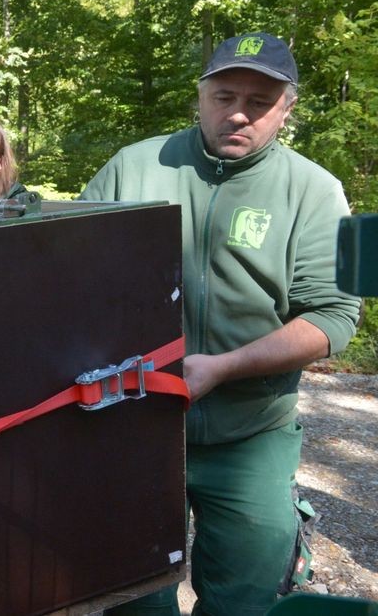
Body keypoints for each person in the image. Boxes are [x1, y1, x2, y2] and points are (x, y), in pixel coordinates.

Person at [80, 32, 361, 615]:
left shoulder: (319, 191)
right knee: (132, 597)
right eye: (223, 95)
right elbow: (67, 280)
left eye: (260, 102)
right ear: (200, 96)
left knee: (245, 599)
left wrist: (224, 368)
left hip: (252, 432)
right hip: (135, 425)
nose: (238, 112)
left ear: (287, 109)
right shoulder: (132, 167)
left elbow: (336, 317)